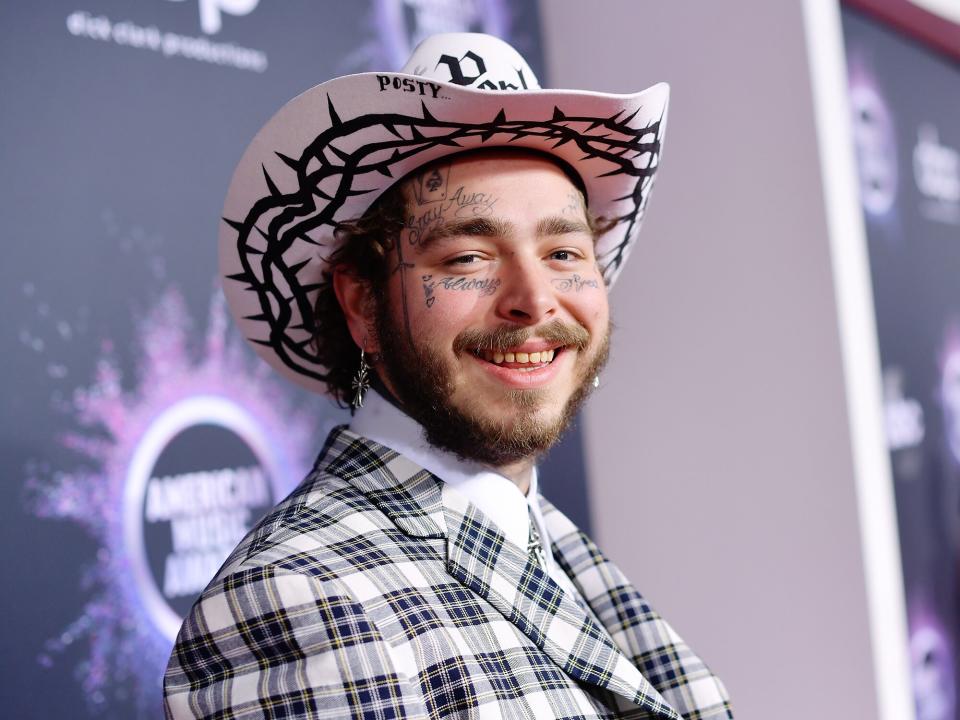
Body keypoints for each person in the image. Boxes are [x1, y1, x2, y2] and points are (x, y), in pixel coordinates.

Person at [164, 32, 733, 719]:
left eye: (561, 250)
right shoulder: (295, 598)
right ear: (362, 303)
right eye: (467, 258)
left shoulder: (543, 534)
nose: (533, 298)